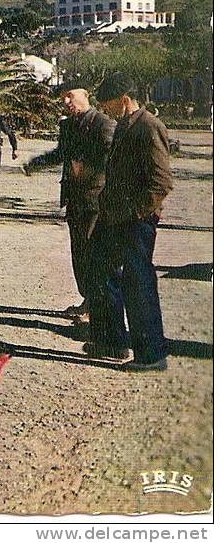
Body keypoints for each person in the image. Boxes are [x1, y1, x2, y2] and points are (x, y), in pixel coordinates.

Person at [85, 73, 173, 372]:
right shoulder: (124, 126)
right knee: (100, 272)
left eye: (108, 105)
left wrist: (138, 214)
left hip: (136, 221)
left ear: (124, 100)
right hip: (114, 218)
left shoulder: (149, 126)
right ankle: (113, 342)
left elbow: (161, 182)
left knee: (139, 285)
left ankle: (151, 354)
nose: (105, 111)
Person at [23, 86, 116, 319]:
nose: (66, 101)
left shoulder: (103, 123)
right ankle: (88, 301)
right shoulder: (67, 125)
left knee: (93, 253)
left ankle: (96, 308)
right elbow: (61, 153)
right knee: (80, 254)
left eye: (70, 96)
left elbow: (110, 158)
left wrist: (84, 168)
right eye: (63, 98)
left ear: (85, 95)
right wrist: (37, 163)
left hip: (96, 200)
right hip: (74, 199)